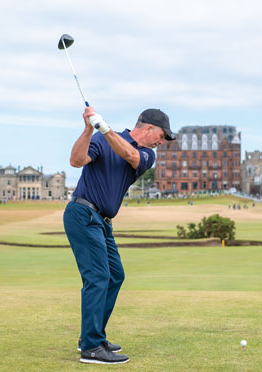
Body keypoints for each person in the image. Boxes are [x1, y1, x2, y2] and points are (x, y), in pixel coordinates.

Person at [64, 107, 175, 364]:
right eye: (162, 135)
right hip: (82, 214)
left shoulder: (146, 154)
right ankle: (91, 347)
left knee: (115, 275)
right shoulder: (101, 139)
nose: (162, 142)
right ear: (148, 128)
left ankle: (91, 336)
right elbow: (76, 161)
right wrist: (89, 129)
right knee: (98, 276)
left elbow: (129, 154)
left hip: (102, 221)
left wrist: (104, 128)